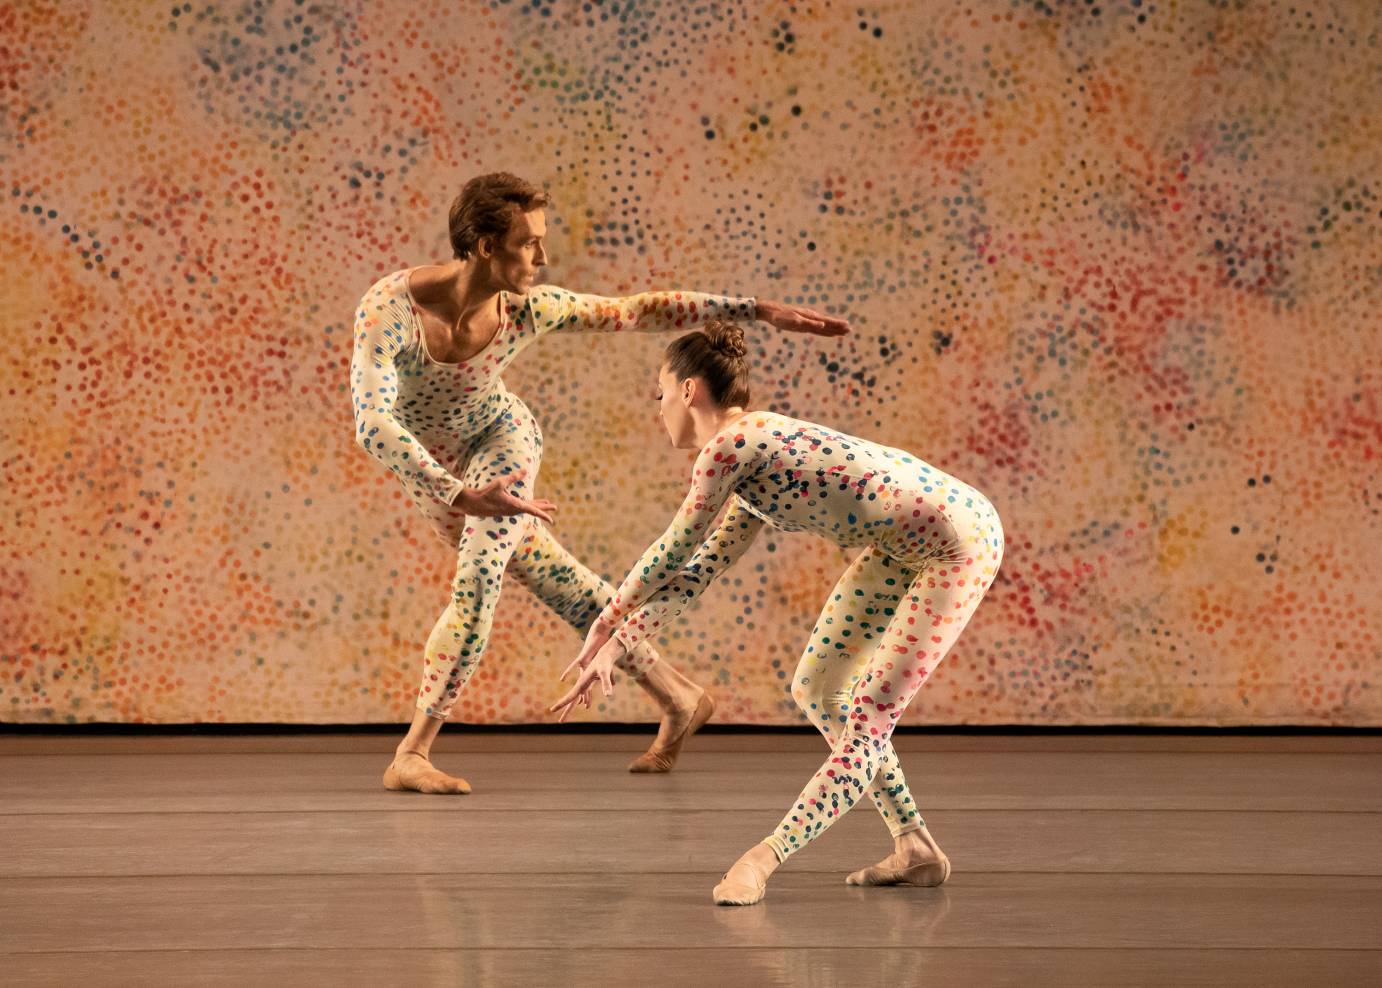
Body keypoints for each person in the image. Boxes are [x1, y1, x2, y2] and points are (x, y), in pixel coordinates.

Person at [351, 173, 849, 794]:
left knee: (478, 578)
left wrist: (755, 310)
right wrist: (455, 494)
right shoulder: (391, 310)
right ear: (484, 245)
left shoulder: (525, 310)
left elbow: (634, 311)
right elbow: (372, 423)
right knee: (558, 581)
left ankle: (412, 752)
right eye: (528, 243)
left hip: (501, 443)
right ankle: (677, 695)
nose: (543, 257)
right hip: (441, 476)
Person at [551, 319, 1004, 904]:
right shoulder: (750, 467)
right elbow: (696, 573)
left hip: (960, 543)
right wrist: (618, 642)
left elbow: (673, 549)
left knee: (868, 715)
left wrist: (607, 621)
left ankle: (762, 860)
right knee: (818, 689)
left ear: (688, 390)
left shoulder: (732, 445)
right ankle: (915, 846)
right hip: (904, 546)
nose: (658, 408)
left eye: (659, 393)